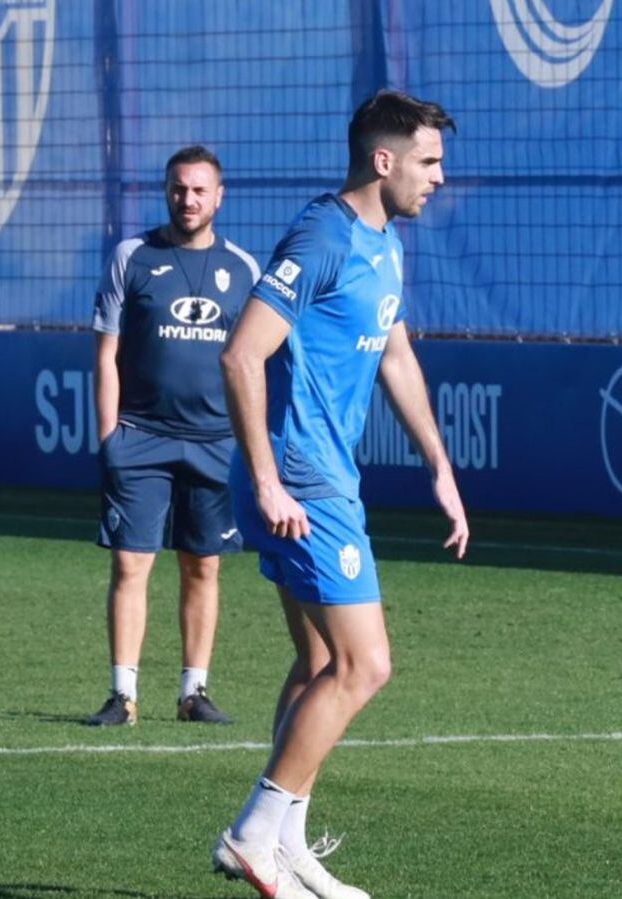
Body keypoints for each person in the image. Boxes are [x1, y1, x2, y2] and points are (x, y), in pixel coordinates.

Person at [212, 91, 469, 899]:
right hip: (303, 479)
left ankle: (284, 840)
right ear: (382, 159)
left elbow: (395, 354)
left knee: (321, 659)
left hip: (324, 475)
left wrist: (438, 462)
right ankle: (255, 831)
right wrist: (265, 480)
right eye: (429, 161)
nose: (439, 177)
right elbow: (240, 356)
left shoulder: (386, 243)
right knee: (366, 663)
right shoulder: (321, 235)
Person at [86, 145, 259, 726]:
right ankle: (122, 696)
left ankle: (194, 693)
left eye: (199, 190)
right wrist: (109, 437)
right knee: (132, 566)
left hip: (215, 443)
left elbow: (255, 362)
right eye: (179, 188)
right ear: (166, 191)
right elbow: (105, 354)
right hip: (140, 437)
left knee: (202, 566)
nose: (188, 199)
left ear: (220, 196)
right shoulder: (131, 257)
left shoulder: (244, 269)